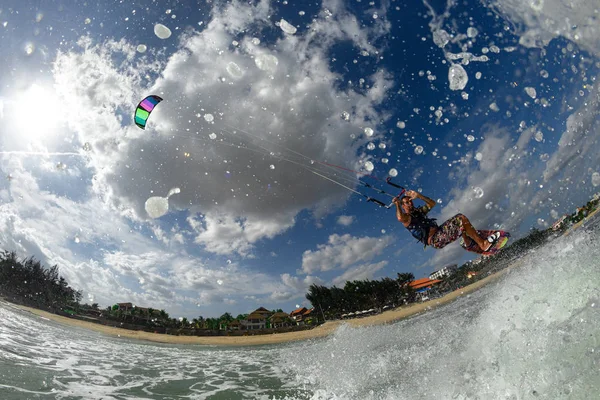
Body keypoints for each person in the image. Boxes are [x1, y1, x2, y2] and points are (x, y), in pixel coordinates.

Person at [392, 190, 499, 251]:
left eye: (410, 201)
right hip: (436, 239)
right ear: (403, 205)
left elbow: (432, 203)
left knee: (459, 222)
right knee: (460, 218)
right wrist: (397, 204)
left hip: (440, 232)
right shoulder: (407, 218)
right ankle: (482, 244)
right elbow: (400, 218)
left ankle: (468, 241)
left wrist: (419, 196)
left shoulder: (419, 212)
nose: (410, 203)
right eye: (407, 202)